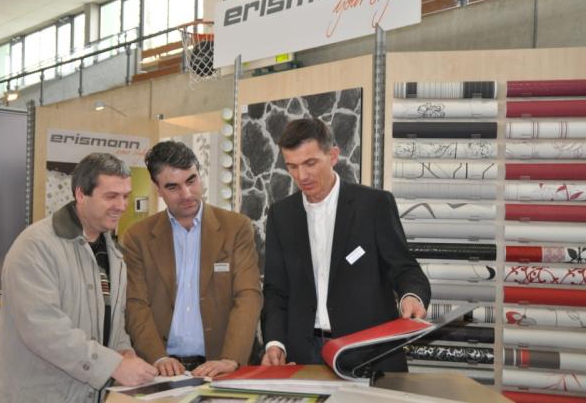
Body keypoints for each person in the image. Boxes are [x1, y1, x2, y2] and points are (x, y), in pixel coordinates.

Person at [0, 153, 158, 403]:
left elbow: (115, 322)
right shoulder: (35, 246)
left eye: (125, 196)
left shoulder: (115, 253)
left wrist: (125, 353)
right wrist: (113, 365)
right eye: (111, 196)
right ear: (81, 194)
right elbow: (43, 328)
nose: (121, 206)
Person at [261, 118, 431, 371]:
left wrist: (412, 296)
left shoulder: (373, 205)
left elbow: (405, 269)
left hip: (367, 352)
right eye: (292, 167)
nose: (301, 176)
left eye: (310, 163)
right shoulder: (280, 215)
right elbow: (276, 290)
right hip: (303, 353)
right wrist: (275, 343)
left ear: (333, 156)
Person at [123, 141, 262, 378]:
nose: (186, 194)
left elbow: (248, 295)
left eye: (191, 180)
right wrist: (157, 357)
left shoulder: (236, 227)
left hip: (220, 365)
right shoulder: (138, 237)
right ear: (157, 189)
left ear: (200, 174)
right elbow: (136, 304)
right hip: (161, 368)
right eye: (173, 187)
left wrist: (231, 358)